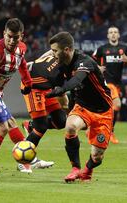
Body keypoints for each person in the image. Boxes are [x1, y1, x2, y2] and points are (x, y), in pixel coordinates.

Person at [0, 18, 50, 177]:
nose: (12, 40)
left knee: (5, 125)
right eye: (9, 36)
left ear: (22, 36)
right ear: (4, 34)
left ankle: (26, 161)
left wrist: (27, 81)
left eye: (16, 37)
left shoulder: (21, 48)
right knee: (2, 127)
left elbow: (22, 64)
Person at [46, 32, 113, 182]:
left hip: (103, 111)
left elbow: (76, 80)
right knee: (70, 127)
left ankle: (87, 170)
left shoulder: (85, 62)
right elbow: (53, 80)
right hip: (83, 106)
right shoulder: (61, 65)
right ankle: (75, 168)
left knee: (97, 156)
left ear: (67, 49)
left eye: (55, 51)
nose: (53, 54)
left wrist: (62, 89)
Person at [21, 51, 68, 161]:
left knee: (61, 121)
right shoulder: (60, 74)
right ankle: (24, 160)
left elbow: (50, 52)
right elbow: (63, 100)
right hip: (33, 87)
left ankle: (31, 125)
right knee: (41, 127)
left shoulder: (62, 55)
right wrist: (70, 111)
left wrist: (35, 62)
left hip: (46, 86)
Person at [92, 26, 127, 144]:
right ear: (108, 35)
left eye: (115, 32)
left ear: (119, 35)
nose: (113, 34)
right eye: (111, 32)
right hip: (106, 82)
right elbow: (91, 60)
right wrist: (97, 67)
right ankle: (110, 132)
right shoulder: (102, 49)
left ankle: (95, 129)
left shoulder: (124, 48)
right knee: (117, 105)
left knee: (107, 109)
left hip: (118, 83)